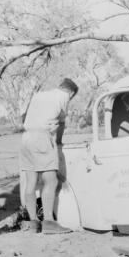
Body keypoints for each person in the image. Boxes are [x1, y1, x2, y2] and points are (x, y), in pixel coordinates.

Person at [20, 78, 78, 234]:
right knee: (50, 180)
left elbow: (26, 117)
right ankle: (49, 222)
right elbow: (61, 123)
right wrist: (58, 141)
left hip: (26, 138)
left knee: (30, 181)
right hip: (42, 137)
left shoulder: (39, 95)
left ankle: (33, 223)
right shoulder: (63, 97)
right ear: (71, 92)